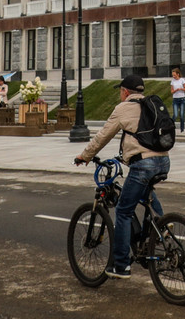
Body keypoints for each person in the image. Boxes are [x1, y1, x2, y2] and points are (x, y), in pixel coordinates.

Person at [72, 74, 169, 280]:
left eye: (120, 90)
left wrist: (85, 156)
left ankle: (121, 265)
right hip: (163, 160)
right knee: (146, 193)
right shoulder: (151, 103)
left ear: (125, 92)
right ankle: (160, 229)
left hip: (143, 163)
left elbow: (103, 136)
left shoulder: (123, 108)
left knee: (124, 211)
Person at [168, 68, 185, 132]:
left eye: (175, 75)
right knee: (175, 114)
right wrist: (175, 90)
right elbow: (172, 91)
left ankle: (182, 129)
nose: (174, 77)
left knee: (181, 114)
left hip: (182, 98)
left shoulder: (182, 80)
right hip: (175, 99)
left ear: (178, 74)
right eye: (173, 75)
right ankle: (171, 125)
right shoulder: (173, 81)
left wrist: (181, 89)